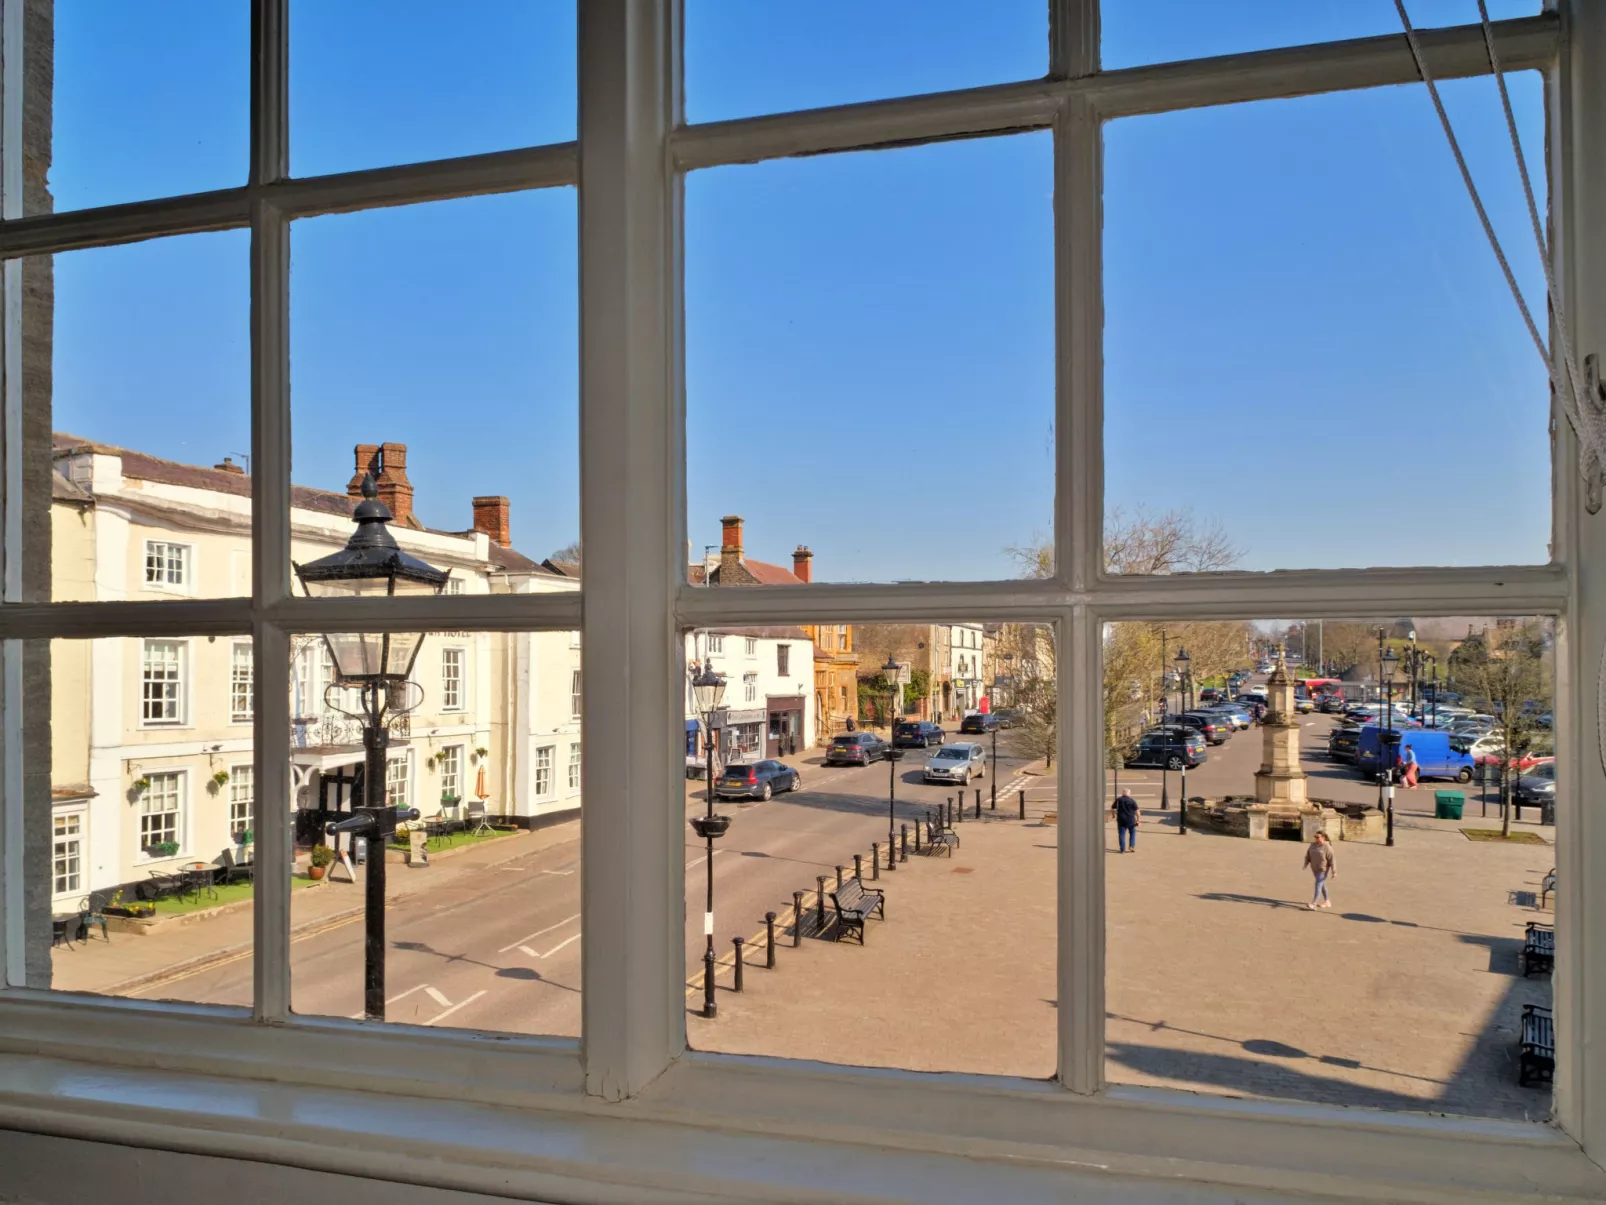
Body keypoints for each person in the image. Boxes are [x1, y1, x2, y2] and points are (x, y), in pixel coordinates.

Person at [1303, 831, 1335, 910]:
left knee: (1318, 884)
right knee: (1322, 884)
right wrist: (1306, 863)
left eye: (1318, 837)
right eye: (1315, 837)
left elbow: (1332, 860)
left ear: (1323, 837)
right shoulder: (1312, 845)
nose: (1316, 838)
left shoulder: (1327, 847)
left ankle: (1314, 903)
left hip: (1323, 869)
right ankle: (1327, 901)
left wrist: (1334, 871)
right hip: (1314, 868)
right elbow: (1308, 854)